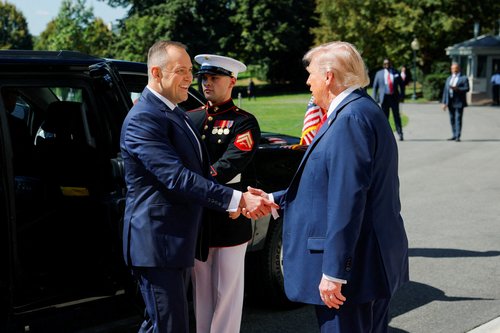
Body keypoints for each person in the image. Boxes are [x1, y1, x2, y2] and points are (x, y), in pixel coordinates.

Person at [248, 41, 409, 333]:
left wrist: (335, 272)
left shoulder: (350, 119)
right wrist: (275, 198)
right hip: (366, 264)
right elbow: (328, 185)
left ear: (328, 76)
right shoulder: (360, 110)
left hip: (353, 273)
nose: (308, 81)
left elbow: (348, 199)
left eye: (311, 73)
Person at [119, 41, 277, 333]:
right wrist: (237, 200)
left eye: (193, 71)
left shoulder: (176, 112)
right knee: (168, 325)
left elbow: (201, 171)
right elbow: (177, 178)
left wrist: (243, 195)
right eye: (183, 71)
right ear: (156, 72)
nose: (193, 79)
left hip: (178, 238)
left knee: (171, 322)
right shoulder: (145, 118)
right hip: (158, 242)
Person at [187, 54, 260, 333]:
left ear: (232, 81)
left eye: (214, 78)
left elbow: (229, 165)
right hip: (199, 221)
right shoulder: (190, 117)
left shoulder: (244, 122)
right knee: (202, 294)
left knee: (227, 296)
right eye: (204, 78)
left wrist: (191, 182)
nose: (207, 83)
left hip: (229, 220)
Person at [372, 58, 405, 141]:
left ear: (390, 64)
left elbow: (401, 85)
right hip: (384, 98)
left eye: (388, 63)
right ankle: (384, 135)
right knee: (384, 118)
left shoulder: (396, 72)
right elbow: (375, 87)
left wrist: (402, 95)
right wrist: (375, 98)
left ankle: (400, 133)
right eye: (385, 64)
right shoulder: (379, 73)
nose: (387, 65)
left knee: (396, 116)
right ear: (383, 65)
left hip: (394, 97)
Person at [441, 62, 470, 142]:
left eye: (455, 68)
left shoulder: (463, 78)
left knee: (458, 119)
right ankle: (454, 134)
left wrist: (458, 89)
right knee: (452, 119)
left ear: (459, 69)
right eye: (452, 69)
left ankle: (458, 136)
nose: (454, 70)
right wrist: (444, 103)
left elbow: (467, 88)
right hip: (450, 102)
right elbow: (445, 91)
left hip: (459, 102)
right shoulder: (449, 78)